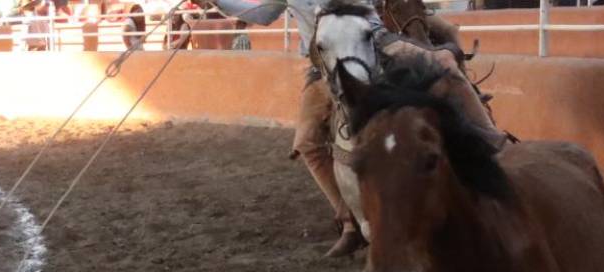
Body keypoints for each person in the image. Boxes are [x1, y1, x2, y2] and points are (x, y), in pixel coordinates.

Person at [192, 0, 502, 256]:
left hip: (377, 46)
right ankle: (350, 219)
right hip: (324, 65)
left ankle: (493, 140)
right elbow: (257, 13)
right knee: (307, 142)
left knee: (446, 61)